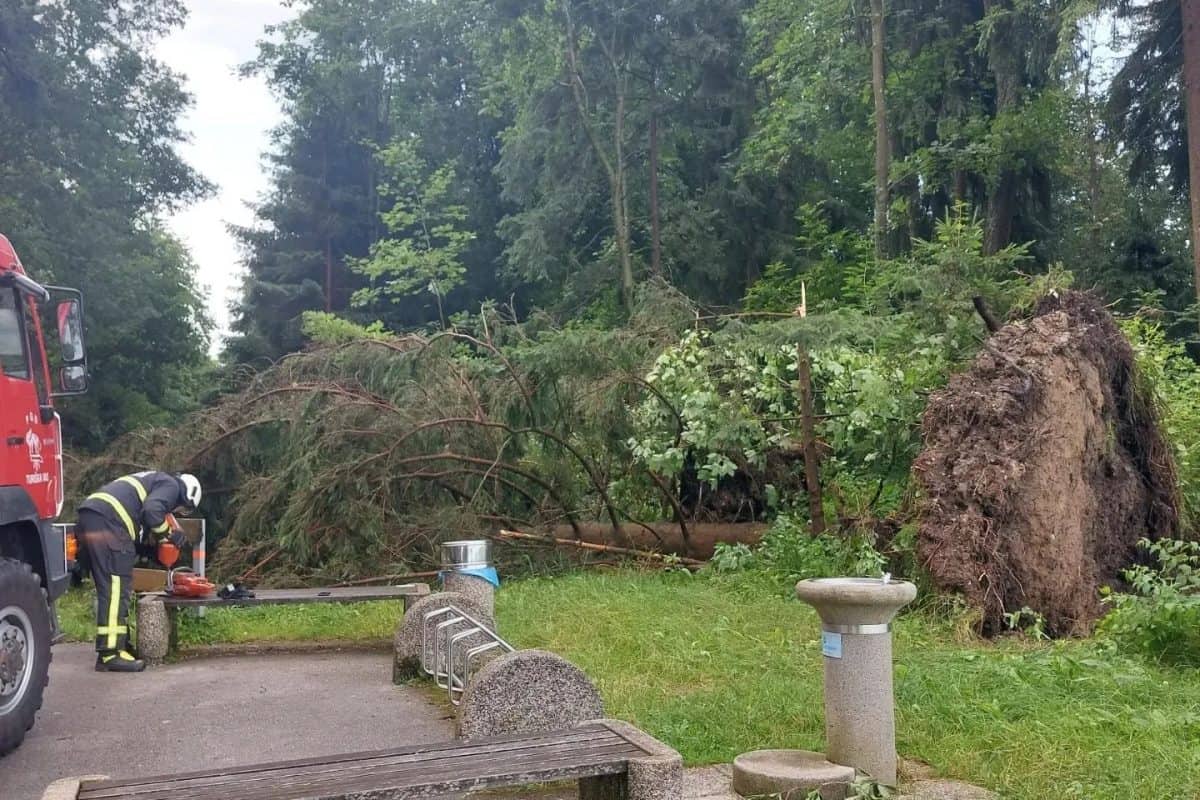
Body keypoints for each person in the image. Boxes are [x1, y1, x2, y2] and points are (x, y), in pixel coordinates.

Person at [76, 471, 202, 672]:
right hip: (109, 519)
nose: (177, 511)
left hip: (92, 516)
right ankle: (111, 654)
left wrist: (151, 551)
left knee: (110, 588)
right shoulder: (172, 485)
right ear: (187, 496)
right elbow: (152, 511)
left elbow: (139, 526)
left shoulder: (151, 481)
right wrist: (170, 534)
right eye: (183, 508)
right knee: (116, 588)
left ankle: (119, 645)